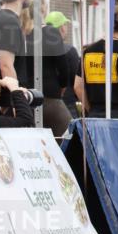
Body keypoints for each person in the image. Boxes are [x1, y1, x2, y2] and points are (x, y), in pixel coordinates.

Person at [39, 11, 73, 140]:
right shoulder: (51, 33)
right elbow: (63, 66)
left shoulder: (24, 32)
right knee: (70, 137)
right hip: (50, 94)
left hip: (27, 95)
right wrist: (62, 86)